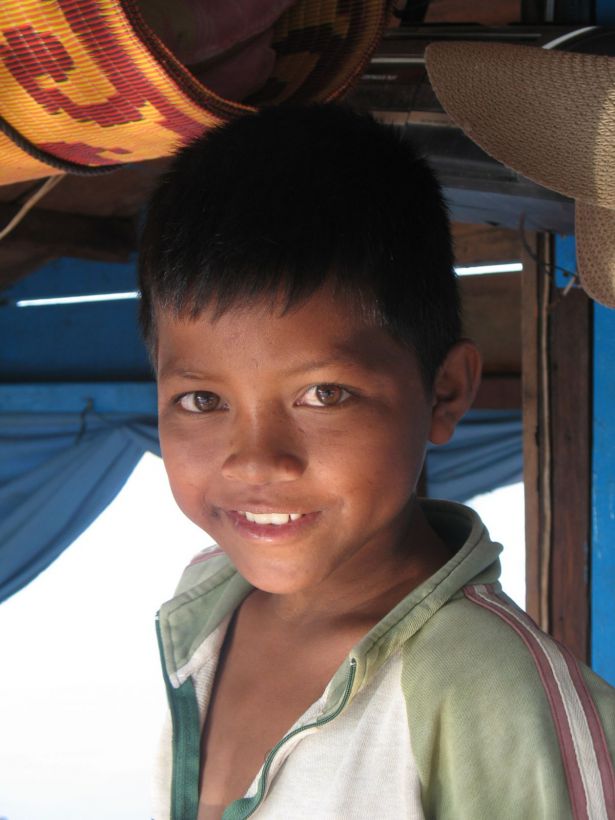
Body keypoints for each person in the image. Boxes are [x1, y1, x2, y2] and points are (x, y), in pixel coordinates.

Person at [139, 104, 615, 820]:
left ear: (443, 393)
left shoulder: (491, 690)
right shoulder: (207, 600)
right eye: (202, 400)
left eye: (323, 394)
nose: (257, 459)